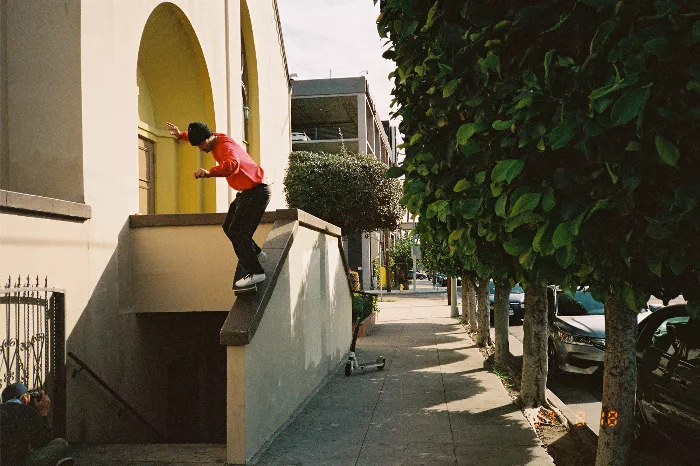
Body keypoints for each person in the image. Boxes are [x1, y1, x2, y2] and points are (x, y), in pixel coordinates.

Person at [166, 121, 271, 289]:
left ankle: (256, 272)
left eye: (201, 145)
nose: (201, 148)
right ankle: (257, 254)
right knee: (228, 226)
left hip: (257, 192)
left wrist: (209, 173)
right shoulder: (215, 136)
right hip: (248, 191)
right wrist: (182, 135)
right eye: (198, 145)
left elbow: (232, 166)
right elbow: (199, 135)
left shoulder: (226, 148)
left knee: (238, 232)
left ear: (209, 138)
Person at [0, 383, 73, 466]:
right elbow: (42, 442)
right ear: (25, 398)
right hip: (22, 463)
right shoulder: (28, 411)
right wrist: (43, 411)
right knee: (61, 443)